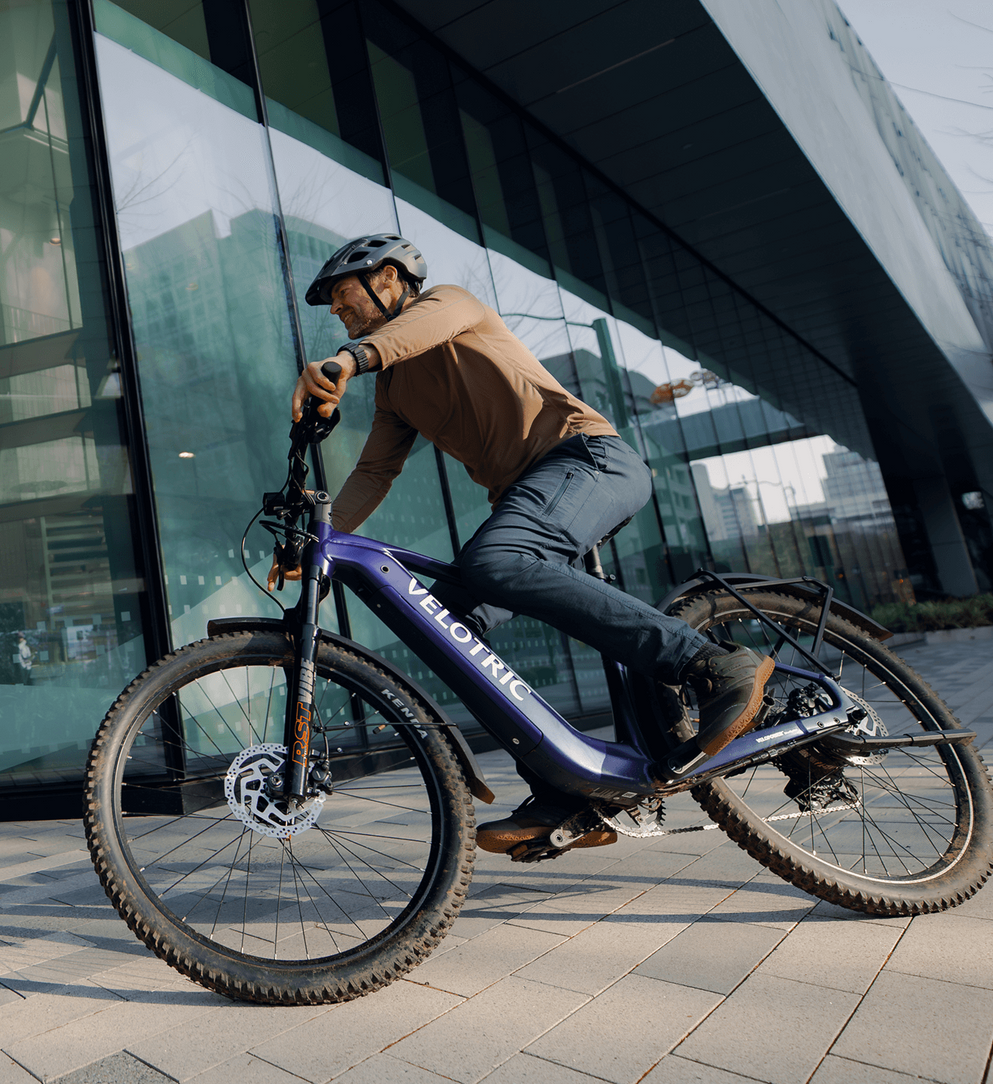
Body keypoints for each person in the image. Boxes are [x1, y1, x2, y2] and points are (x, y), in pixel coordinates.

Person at [285, 234, 773, 859]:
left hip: (588, 460)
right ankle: (569, 792)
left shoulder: (448, 306)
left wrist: (349, 359)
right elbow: (375, 474)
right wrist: (318, 538)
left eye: (342, 294)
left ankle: (709, 663)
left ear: (388, 279)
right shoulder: (395, 392)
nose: (335, 309)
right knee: (445, 624)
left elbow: (411, 331)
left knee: (497, 560)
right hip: (536, 500)